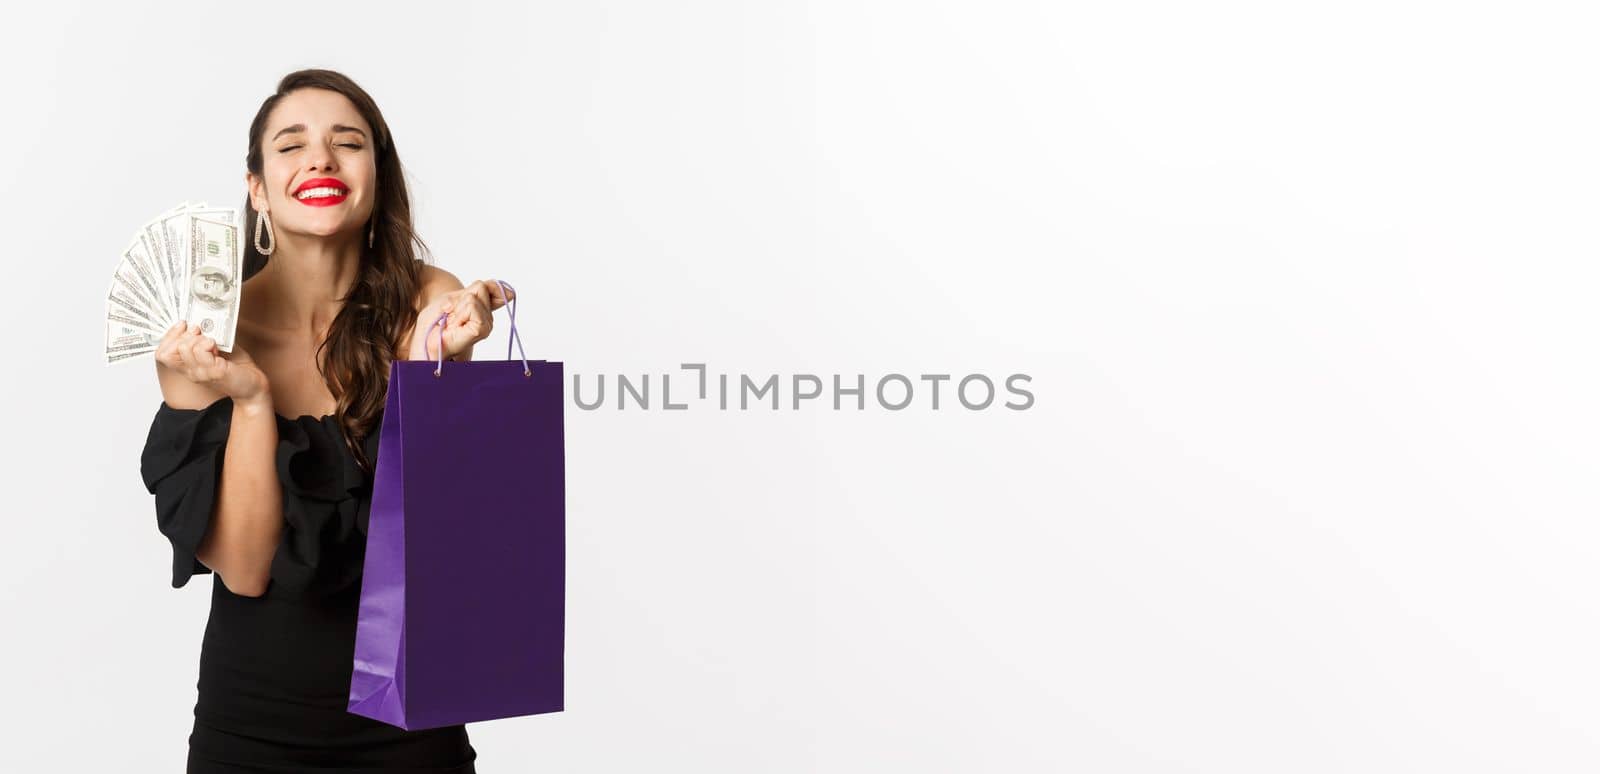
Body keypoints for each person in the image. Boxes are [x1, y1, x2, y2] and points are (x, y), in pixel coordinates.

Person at [139, 69, 513, 773]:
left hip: (412, 721)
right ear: (257, 188)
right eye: (291, 146)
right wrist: (251, 400)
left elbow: (438, 531)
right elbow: (245, 569)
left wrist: (446, 367)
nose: (320, 159)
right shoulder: (205, 336)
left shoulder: (430, 301)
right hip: (252, 727)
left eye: (348, 142)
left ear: (377, 175)